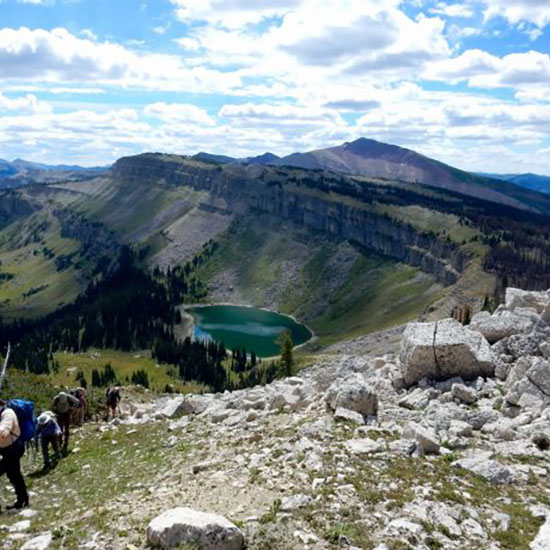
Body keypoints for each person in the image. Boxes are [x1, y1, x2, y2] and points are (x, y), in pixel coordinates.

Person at [0, 397, 29, 510]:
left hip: (13, 449)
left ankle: (22, 500)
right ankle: (23, 499)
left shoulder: (7, 414)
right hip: (6, 449)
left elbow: (3, 432)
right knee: (14, 474)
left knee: (14, 474)